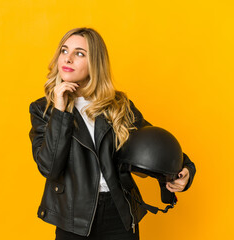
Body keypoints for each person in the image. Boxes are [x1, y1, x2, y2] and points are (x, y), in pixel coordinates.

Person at [28, 27, 196, 240]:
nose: (68, 59)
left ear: (95, 63)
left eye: (79, 53)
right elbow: (49, 167)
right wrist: (60, 111)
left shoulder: (118, 105)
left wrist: (185, 170)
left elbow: (152, 142)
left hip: (119, 211)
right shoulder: (43, 109)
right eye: (64, 50)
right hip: (73, 217)